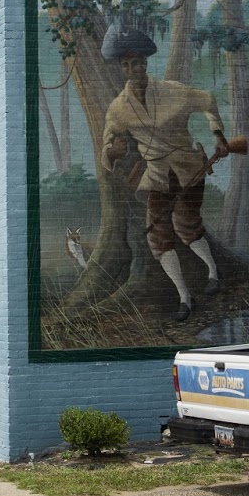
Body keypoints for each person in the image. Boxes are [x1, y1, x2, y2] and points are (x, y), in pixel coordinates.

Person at [100, 23, 229, 322]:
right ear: (121, 68)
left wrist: (218, 135)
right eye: (126, 65)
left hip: (188, 168)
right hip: (157, 174)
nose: (132, 69)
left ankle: (213, 272)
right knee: (157, 237)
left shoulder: (174, 91)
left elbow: (208, 101)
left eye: (137, 62)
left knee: (186, 226)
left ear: (145, 63)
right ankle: (184, 297)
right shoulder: (118, 108)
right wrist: (112, 152)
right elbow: (108, 143)